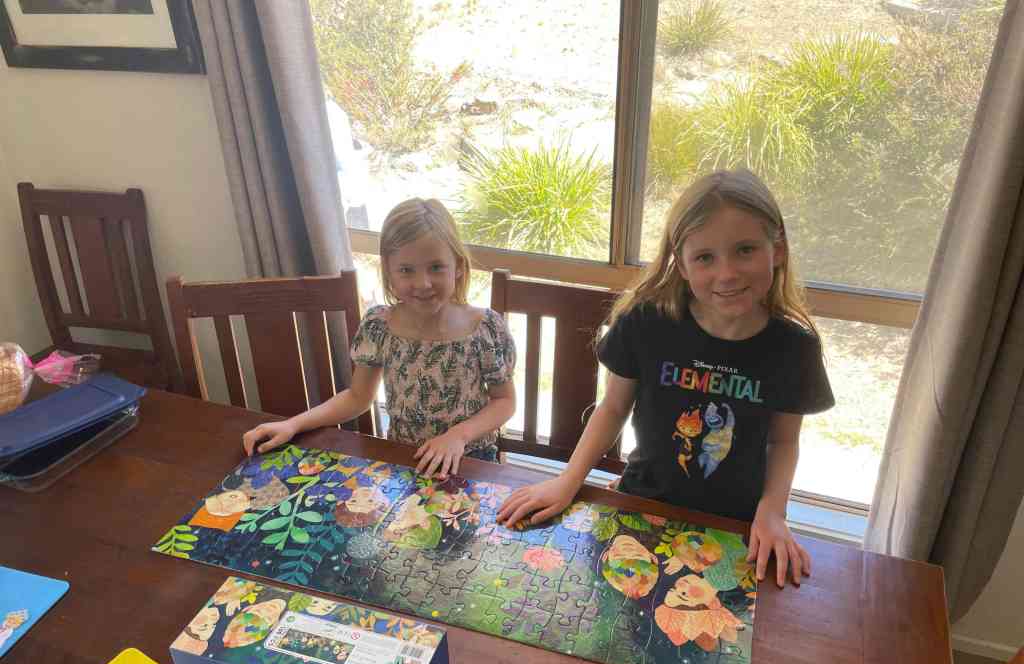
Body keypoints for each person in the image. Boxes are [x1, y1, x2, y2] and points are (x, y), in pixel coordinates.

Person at [496, 169, 833, 587]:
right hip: (641, 504)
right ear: (682, 262)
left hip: (738, 526)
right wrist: (568, 481)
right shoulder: (646, 321)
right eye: (705, 257)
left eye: (745, 250)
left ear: (777, 249)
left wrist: (774, 511)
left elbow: (784, 441)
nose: (727, 273)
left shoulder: (795, 346)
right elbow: (613, 408)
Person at [243, 198, 516, 479]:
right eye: (406, 270)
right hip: (404, 459)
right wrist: (293, 424)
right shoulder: (379, 325)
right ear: (388, 271)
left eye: (436, 267)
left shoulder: (484, 328)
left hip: (471, 459)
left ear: (458, 265)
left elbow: (505, 401)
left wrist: (458, 436)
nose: (423, 283)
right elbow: (357, 397)